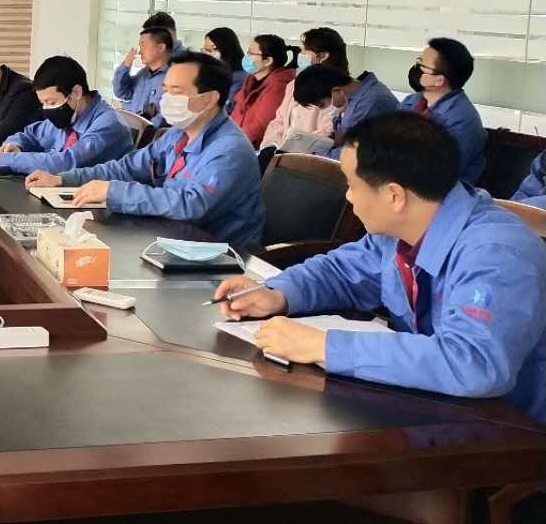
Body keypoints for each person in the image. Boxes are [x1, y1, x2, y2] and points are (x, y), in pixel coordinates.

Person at [215, 112, 546, 428]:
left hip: (511, 435)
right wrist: (278, 294)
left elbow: (473, 363)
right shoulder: (403, 229)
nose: (348, 197)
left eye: (352, 185)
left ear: (394, 196)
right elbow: (342, 272)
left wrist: (324, 347)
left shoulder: (497, 255)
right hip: (430, 408)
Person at [26, 52, 265, 250]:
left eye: (176, 91)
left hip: (218, 257)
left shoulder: (230, 151)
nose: (166, 98)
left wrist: (114, 192)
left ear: (210, 99)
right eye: (165, 90)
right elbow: (128, 167)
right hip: (169, 239)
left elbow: (190, 205)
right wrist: (64, 179)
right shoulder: (177, 133)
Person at [0, 56, 132, 176]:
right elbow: (31, 134)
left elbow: (66, 162)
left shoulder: (108, 125)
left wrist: (3, 160)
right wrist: (16, 145)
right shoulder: (70, 115)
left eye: (51, 102)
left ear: (76, 92)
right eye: (43, 103)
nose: (47, 109)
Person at [400, 37, 486, 186]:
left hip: (438, 194)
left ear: (439, 80)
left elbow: (435, 175)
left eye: (421, 65)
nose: (415, 69)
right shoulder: (412, 101)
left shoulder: (462, 121)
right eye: (417, 61)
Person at [259, 28, 349, 155]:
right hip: (281, 154)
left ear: (323, 56)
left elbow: (327, 133)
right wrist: (271, 145)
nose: (300, 54)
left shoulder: (335, 91)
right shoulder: (294, 84)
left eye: (304, 51)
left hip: (307, 158)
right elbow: (279, 120)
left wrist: (290, 148)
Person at [290, 64, 402, 161]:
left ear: (337, 91)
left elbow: (351, 153)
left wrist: (314, 154)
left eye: (322, 105)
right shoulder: (360, 94)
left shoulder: (369, 104)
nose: (323, 109)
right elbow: (342, 137)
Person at [230, 33, 298, 148]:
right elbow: (236, 113)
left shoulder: (278, 87)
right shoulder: (250, 80)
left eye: (251, 53)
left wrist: (232, 142)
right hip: (237, 140)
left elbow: (260, 126)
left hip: (251, 147)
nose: (246, 57)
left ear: (268, 61)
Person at [112, 27, 173, 119]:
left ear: (161, 48)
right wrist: (125, 66)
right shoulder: (143, 74)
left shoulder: (173, 78)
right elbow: (122, 92)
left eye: (143, 45)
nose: (140, 52)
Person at [202, 26, 247, 112]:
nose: (208, 54)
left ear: (227, 49)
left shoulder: (239, 76)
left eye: (214, 49)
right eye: (206, 49)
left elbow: (227, 106)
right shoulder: (213, 70)